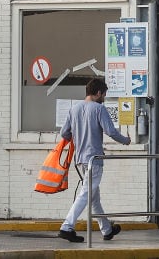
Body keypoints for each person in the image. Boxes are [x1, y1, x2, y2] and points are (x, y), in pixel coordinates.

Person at [57, 77, 131, 243]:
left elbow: (64, 133)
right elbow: (110, 131)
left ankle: (107, 229)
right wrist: (126, 141)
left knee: (93, 197)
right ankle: (67, 226)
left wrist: (77, 136)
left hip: (80, 159)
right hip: (94, 159)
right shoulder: (99, 109)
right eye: (104, 94)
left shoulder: (74, 109)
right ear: (98, 93)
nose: (104, 98)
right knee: (86, 193)